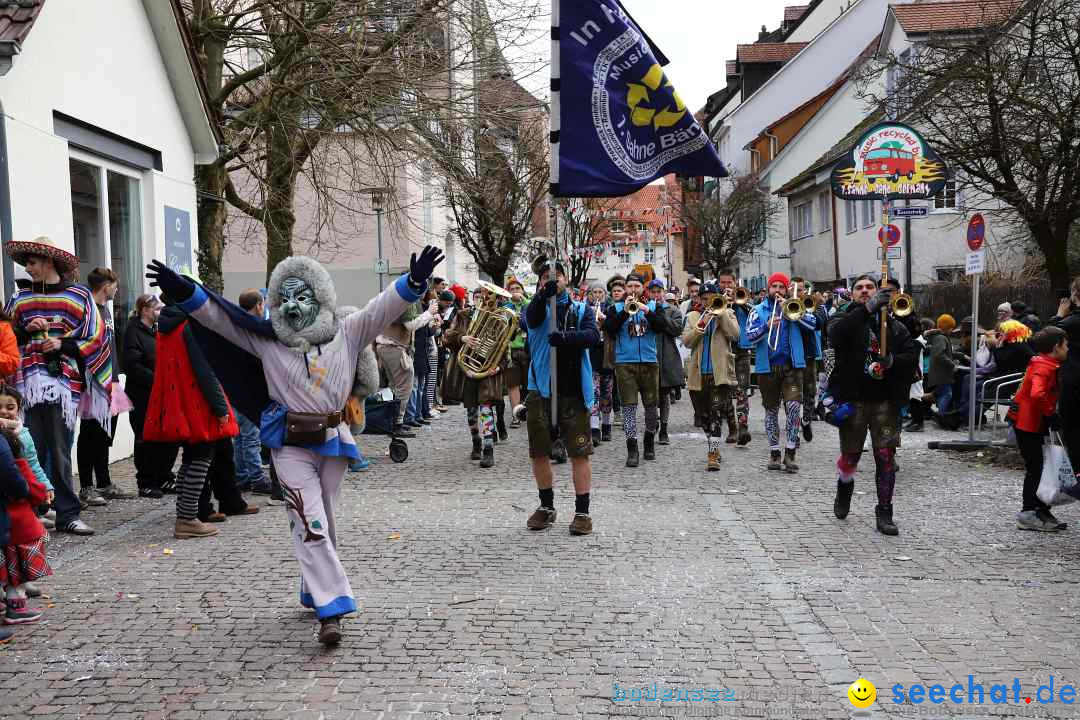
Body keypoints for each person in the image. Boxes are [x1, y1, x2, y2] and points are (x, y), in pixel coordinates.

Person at [147, 246, 445, 647]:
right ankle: (332, 607)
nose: (292, 305)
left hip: (334, 441)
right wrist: (185, 291)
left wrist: (413, 283)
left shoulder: (348, 331)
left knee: (324, 520)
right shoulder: (266, 342)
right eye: (285, 296)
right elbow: (221, 321)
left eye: (302, 295)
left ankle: (314, 588)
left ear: (320, 296)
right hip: (288, 444)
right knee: (309, 519)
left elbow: (381, 308)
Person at [3, 236, 112, 536]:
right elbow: (6, 338)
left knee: (61, 449)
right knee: (28, 448)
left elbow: (97, 337)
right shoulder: (19, 300)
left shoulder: (79, 296)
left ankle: (67, 513)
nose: (29, 268)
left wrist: (62, 344)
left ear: (49, 262)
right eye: (27, 263)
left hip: (63, 385)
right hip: (25, 387)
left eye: (33, 262)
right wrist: (26, 330)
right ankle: (35, 511)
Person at [828, 276, 918, 536]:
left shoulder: (892, 323)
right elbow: (836, 335)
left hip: (884, 402)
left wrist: (891, 361)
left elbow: (911, 353)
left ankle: (885, 512)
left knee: (885, 458)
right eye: (860, 288)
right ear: (853, 294)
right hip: (853, 400)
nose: (865, 291)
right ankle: (844, 490)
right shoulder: (844, 318)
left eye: (870, 287)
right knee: (850, 458)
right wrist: (866, 310)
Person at [143, 298, 240, 540]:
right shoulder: (189, 325)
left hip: (182, 399)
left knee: (191, 459)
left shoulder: (167, 324)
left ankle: (185, 516)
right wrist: (220, 408)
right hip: (196, 400)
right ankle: (187, 519)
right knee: (201, 459)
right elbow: (204, 370)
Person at [523, 257, 599, 535]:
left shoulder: (581, 309)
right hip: (541, 389)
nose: (552, 280)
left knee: (580, 453)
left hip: (573, 392)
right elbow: (531, 319)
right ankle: (546, 506)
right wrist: (544, 294)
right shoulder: (536, 308)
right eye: (545, 277)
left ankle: (582, 511)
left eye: (556, 276)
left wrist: (565, 339)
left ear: (566, 279)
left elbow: (592, 337)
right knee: (539, 453)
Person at [745, 272, 817, 473]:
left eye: (781, 287)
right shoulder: (757, 310)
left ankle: (791, 452)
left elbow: (812, 324)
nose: (777, 290)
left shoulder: (794, 306)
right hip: (767, 368)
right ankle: (775, 452)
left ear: (786, 290)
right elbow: (749, 336)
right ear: (768, 289)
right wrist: (766, 327)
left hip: (792, 367)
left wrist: (792, 309)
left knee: (794, 409)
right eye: (774, 286)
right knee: (771, 411)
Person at [76, 267, 131, 505]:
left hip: (111, 379)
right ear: (106, 285)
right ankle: (86, 487)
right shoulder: (88, 310)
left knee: (105, 432)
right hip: (93, 381)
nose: (117, 290)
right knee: (89, 433)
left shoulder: (107, 311)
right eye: (114, 285)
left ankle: (104, 482)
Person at [443, 282, 510, 468]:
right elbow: (446, 337)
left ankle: (489, 449)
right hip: (467, 371)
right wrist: (462, 338)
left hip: (488, 370)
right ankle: (476, 442)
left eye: (488, 295)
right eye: (480, 294)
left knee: (486, 409)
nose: (484, 298)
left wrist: (500, 366)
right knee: (471, 411)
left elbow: (504, 349)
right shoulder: (463, 315)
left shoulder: (499, 319)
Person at [1010, 326, 1068, 531]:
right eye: (1065, 345)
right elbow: (1037, 394)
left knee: (1040, 467)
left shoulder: (1041, 361)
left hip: (1026, 421)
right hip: (1029, 423)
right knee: (1036, 468)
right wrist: (1051, 413)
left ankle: (1040, 510)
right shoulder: (1046, 366)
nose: (1068, 348)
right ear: (1056, 347)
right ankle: (1028, 513)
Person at [605, 273, 664, 467]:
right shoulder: (616, 308)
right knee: (629, 408)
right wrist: (625, 312)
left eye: (636, 286)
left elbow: (661, 327)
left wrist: (646, 310)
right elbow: (610, 329)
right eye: (629, 286)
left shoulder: (654, 306)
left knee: (651, 406)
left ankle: (649, 441)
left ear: (642, 288)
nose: (633, 290)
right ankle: (632, 448)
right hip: (625, 364)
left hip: (649, 362)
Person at [123, 294, 178, 498]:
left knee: (169, 437)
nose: (160, 313)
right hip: (143, 395)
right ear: (145, 310)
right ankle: (146, 482)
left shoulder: (158, 331)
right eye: (157, 309)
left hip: (163, 394)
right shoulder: (133, 332)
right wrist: (156, 380)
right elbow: (132, 365)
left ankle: (165, 477)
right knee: (146, 438)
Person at [682, 282, 740, 470]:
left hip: (719, 374)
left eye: (711, 298)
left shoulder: (728, 313)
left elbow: (735, 335)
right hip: (698, 375)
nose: (707, 302)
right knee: (704, 418)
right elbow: (687, 342)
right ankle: (713, 445)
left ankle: (713, 453)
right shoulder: (691, 316)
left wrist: (721, 314)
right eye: (704, 298)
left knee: (716, 415)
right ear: (699, 299)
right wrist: (701, 325)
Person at [0, 424, 50, 625]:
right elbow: (34, 493)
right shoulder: (18, 468)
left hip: (6, 531)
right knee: (17, 578)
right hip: (23, 532)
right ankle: (17, 610)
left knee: (4, 570)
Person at [234, 289, 273, 494]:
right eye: (262, 303)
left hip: (237, 387)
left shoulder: (235, 324)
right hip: (250, 387)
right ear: (258, 305)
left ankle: (241, 476)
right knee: (251, 436)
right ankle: (257, 478)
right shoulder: (253, 327)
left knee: (240, 436)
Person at [376, 301, 433, 437]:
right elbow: (411, 325)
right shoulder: (405, 301)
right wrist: (429, 313)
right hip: (394, 347)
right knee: (404, 387)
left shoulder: (396, 299)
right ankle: (397, 424)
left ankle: (394, 422)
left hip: (388, 347)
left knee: (396, 387)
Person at [716, 269, 752, 446]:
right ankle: (732, 427)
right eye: (723, 283)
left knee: (741, 390)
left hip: (741, 350)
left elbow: (751, 312)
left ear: (735, 283)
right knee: (724, 391)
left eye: (729, 283)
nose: (726, 286)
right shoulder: (716, 300)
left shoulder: (742, 298)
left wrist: (737, 303)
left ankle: (743, 426)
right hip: (722, 351)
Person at [648, 279, 684, 445]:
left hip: (667, 356)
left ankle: (664, 428)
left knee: (664, 395)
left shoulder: (673, 310)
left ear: (663, 292)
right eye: (653, 292)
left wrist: (661, 319)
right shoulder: (645, 308)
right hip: (650, 356)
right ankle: (653, 422)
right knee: (650, 396)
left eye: (658, 291)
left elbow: (677, 329)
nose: (656, 295)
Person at [1051, 279, 1080, 471]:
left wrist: (1059, 315)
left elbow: (1047, 339)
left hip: (1074, 381)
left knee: (1073, 428)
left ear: (1076, 294)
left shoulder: (1071, 322)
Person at [586, 283, 614, 444]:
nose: (597, 295)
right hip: (593, 356)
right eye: (594, 292)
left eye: (600, 292)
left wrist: (605, 320)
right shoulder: (585, 310)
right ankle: (594, 428)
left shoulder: (610, 310)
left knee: (607, 394)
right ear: (590, 294)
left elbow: (613, 329)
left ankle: (606, 425)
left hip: (607, 356)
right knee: (594, 393)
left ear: (604, 294)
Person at [504, 277, 530, 428]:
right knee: (513, 384)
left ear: (522, 290)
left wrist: (523, 306)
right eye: (512, 289)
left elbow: (530, 325)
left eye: (517, 289)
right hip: (511, 350)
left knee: (528, 385)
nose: (515, 292)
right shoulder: (506, 306)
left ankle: (528, 412)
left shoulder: (529, 305)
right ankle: (516, 415)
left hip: (527, 349)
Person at [925, 314, 958, 427]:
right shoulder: (941, 338)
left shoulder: (939, 337)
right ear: (946, 327)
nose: (952, 330)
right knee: (946, 394)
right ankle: (942, 416)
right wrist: (952, 364)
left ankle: (938, 412)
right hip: (941, 373)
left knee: (942, 393)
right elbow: (939, 354)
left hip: (938, 373)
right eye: (951, 327)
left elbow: (946, 352)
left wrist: (961, 356)